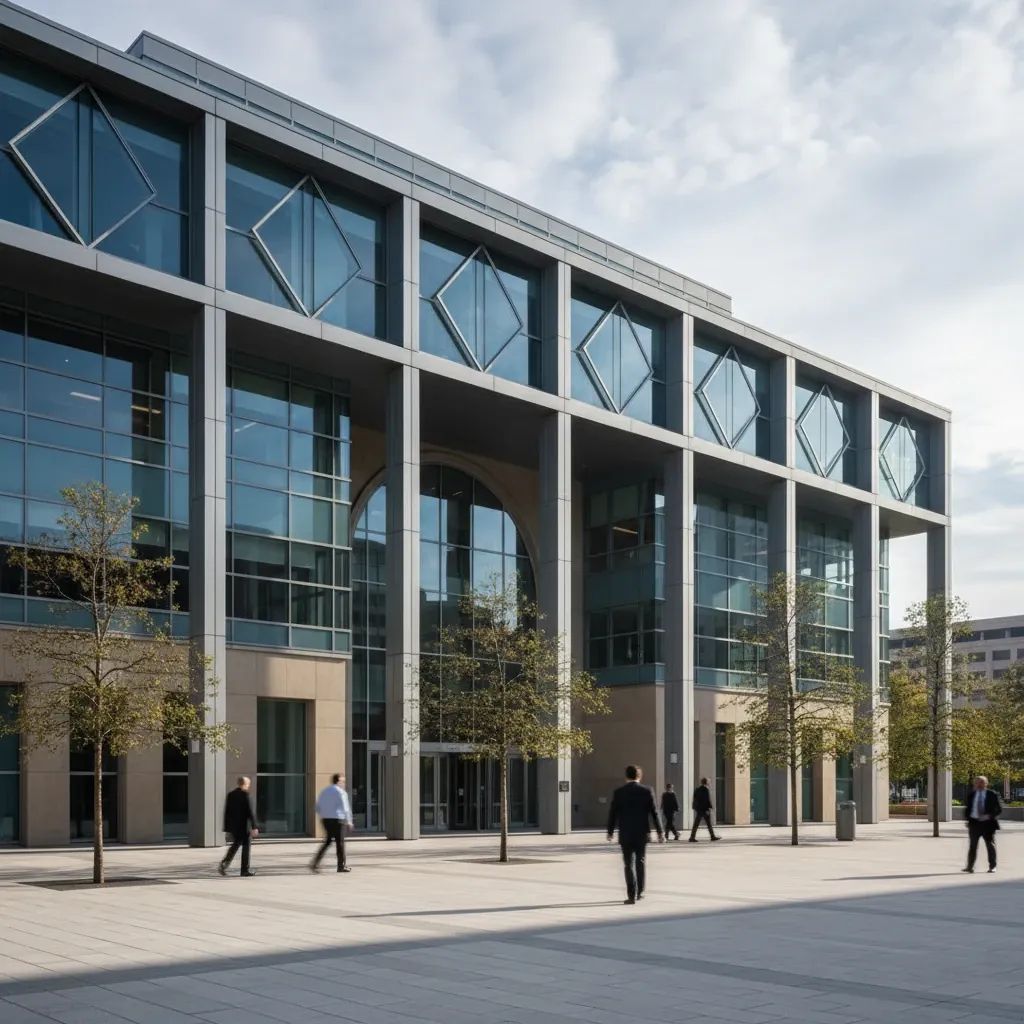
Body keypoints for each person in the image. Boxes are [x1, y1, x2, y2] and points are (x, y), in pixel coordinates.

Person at [607, 765, 663, 904]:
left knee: (628, 864)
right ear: (639, 776)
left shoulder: (619, 792)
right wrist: (660, 832)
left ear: (626, 776)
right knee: (640, 861)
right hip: (641, 833)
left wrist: (610, 831)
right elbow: (654, 813)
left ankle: (631, 895)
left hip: (625, 833)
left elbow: (613, 813)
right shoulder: (647, 791)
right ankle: (641, 892)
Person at [311, 772, 353, 873]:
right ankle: (341, 866)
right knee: (340, 843)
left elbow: (317, 807)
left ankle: (315, 863)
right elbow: (345, 808)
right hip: (338, 820)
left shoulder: (324, 791)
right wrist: (349, 821)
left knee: (328, 841)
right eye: (343, 781)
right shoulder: (341, 792)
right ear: (338, 781)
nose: (344, 783)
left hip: (326, 820)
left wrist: (323, 815)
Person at [219, 776, 258, 877]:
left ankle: (224, 864)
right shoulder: (246, 795)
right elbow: (250, 812)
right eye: (248, 784)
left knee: (236, 845)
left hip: (234, 827)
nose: (249, 786)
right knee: (246, 847)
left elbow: (227, 812)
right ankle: (244, 870)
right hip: (244, 827)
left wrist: (227, 827)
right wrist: (254, 827)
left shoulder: (231, 795)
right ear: (245, 784)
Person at [963, 775, 1002, 874]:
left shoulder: (992, 794)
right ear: (974, 784)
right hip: (974, 824)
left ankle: (992, 867)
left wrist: (989, 816)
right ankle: (970, 866)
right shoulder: (971, 795)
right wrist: (968, 820)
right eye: (977, 782)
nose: (979, 784)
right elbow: (968, 809)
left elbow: (998, 809)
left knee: (990, 846)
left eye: (982, 782)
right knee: (972, 846)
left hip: (988, 824)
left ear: (986, 784)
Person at [690, 776, 721, 842]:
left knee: (696, 824)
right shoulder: (706, 789)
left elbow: (695, 799)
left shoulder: (697, 789)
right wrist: (709, 808)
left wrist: (695, 807)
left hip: (699, 809)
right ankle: (712, 836)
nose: (709, 783)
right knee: (709, 823)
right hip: (704, 809)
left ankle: (692, 837)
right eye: (709, 781)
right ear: (706, 782)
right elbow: (706, 800)